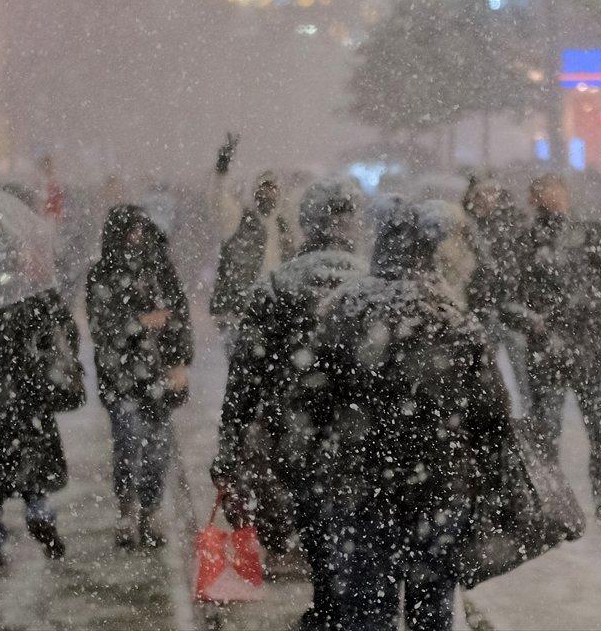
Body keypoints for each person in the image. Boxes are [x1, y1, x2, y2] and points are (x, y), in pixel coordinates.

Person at [299, 199, 514, 631]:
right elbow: (492, 412)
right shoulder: (453, 315)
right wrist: (493, 481)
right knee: (432, 607)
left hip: (362, 484)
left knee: (365, 607)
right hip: (439, 486)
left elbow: (311, 400)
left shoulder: (343, 311)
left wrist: (319, 460)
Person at [212, 178, 367, 629]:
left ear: (305, 224)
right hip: (358, 434)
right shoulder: (370, 285)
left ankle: (328, 606)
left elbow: (244, 378)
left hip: (297, 433)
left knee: (316, 524)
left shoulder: (275, 287)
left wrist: (229, 445)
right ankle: (353, 605)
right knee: (356, 528)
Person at [518, 174, 601, 531]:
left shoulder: (589, 235)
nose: (554, 199)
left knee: (599, 430)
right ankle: (551, 502)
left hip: (587, 349)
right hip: (548, 351)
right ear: (534, 199)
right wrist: (532, 320)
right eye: (546, 193)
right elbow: (505, 295)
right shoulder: (526, 242)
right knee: (547, 432)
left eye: (558, 192)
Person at [87, 205, 193, 549]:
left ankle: (150, 509)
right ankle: (127, 509)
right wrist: (140, 323)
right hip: (119, 376)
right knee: (129, 441)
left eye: (140, 231)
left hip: (157, 375)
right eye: (130, 231)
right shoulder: (101, 275)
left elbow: (179, 316)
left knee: (157, 447)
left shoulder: (159, 269)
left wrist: (178, 363)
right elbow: (102, 327)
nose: (137, 238)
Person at [0, 290, 84, 566]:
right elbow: (63, 330)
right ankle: (39, 516)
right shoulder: (34, 294)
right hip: (29, 398)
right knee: (32, 472)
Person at [461, 177, 533, 414]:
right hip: (479, 310)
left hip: (507, 309)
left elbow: (522, 266)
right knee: (482, 374)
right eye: (481, 193)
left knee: (521, 376)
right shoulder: (465, 227)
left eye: (491, 192)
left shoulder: (511, 226)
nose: (486, 199)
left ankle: (525, 422)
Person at [210, 155, 296, 345]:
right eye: (263, 189)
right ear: (254, 191)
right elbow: (218, 203)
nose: (267, 195)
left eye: (272, 189)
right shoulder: (240, 219)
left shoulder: (283, 226)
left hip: (274, 310)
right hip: (239, 312)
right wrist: (221, 173)